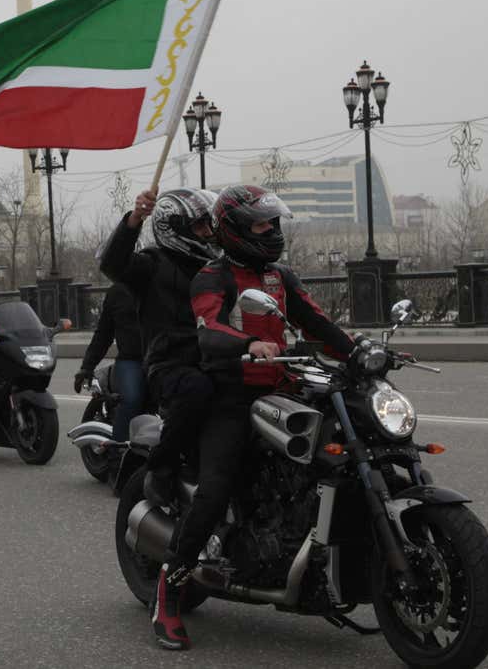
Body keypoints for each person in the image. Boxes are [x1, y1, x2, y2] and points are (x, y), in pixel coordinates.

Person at [149, 185, 357, 651]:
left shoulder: (279, 275)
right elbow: (210, 329)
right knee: (216, 488)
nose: (272, 231)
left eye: (274, 223)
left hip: (285, 389)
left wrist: (361, 350)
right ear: (237, 230)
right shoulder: (214, 275)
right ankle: (168, 591)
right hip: (232, 396)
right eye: (263, 224)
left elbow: (318, 323)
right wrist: (249, 345)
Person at [98, 188, 220, 504]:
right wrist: (135, 219)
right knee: (196, 389)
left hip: (216, 356)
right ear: (174, 227)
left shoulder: (216, 266)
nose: (208, 233)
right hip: (171, 362)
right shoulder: (152, 264)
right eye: (199, 227)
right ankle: (161, 467)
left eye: (209, 226)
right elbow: (113, 264)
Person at [75, 283, 145, 445]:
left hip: (164, 359)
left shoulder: (168, 281)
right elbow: (103, 334)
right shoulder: (119, 291)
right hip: (131, 360)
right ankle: (119, 452)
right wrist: (87, 367)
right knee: (132, 399)